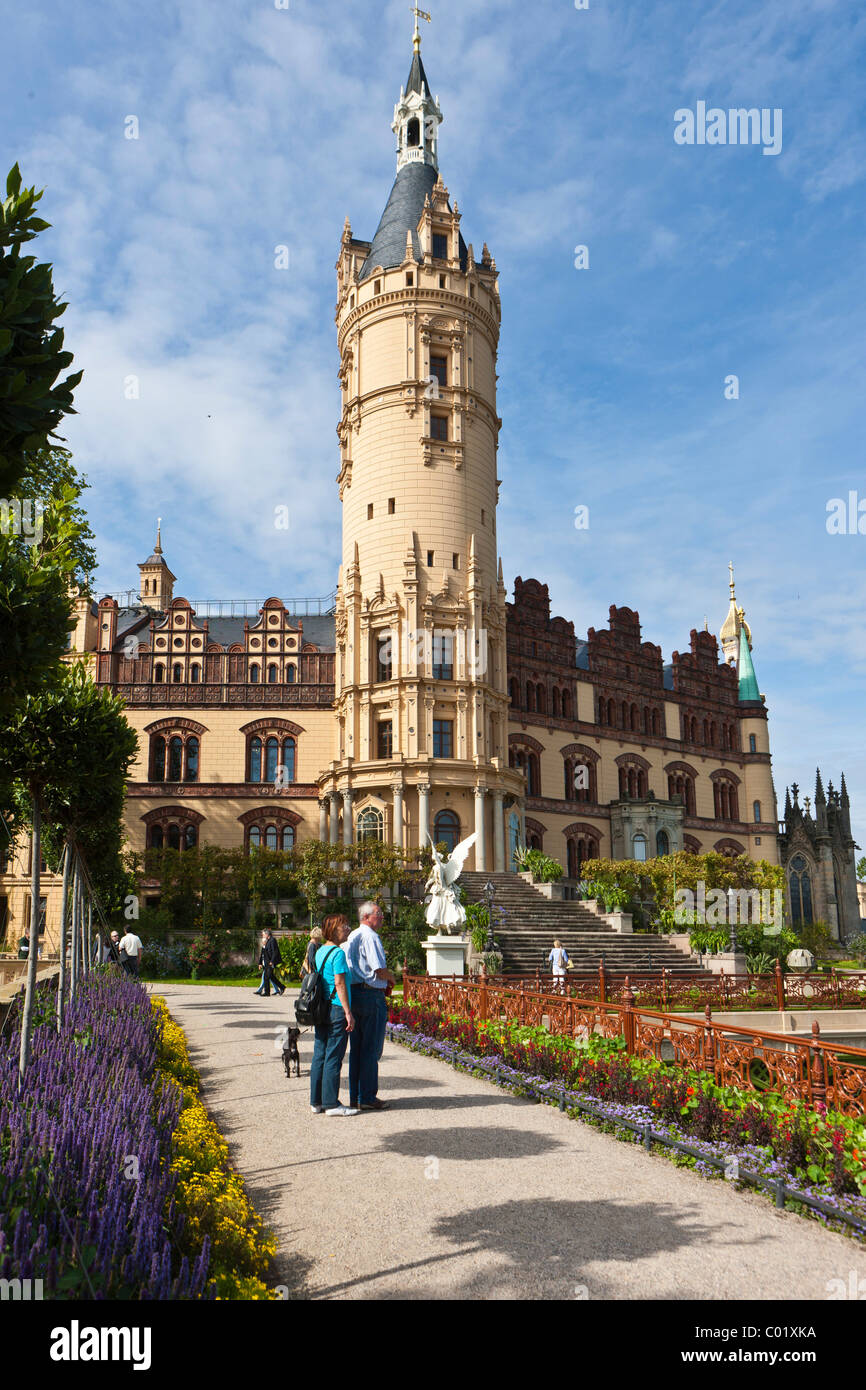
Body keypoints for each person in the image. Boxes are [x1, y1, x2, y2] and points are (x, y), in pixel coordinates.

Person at [344, 901, 394, 1112]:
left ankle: (355, 1096)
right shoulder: (370, 936)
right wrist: (392, 978)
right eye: (378, 914)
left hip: (355, 993)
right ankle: (367, 1096)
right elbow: (379, 969)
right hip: (371, 994)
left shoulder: (352, 936)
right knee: (371, 1049)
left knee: (357, 1049)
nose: (382, 917)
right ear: (366, 917)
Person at [309, 914, 357, 1117]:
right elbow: (339, 984)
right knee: (334, 1057)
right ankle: (331, 1104)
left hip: (322, 1008)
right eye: (343, 926)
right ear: (334, 930)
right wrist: (348, 1012)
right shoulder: (337, 953)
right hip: (337, 1008)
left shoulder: (321, 951)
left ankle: (316, 1101)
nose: (347, 929)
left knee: (320, 1053)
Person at [255, 929, 285, 996]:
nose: (262, 935)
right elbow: (264, 953)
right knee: (271, 977)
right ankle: (282, 987)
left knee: (266, 977)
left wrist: (272, 961)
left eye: (263, 934)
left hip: (270, 962)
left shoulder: (272, 940)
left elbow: (275, 951)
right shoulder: (267, 941)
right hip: (267, 962)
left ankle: (267, 992)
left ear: (267, 934)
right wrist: (260, 963)